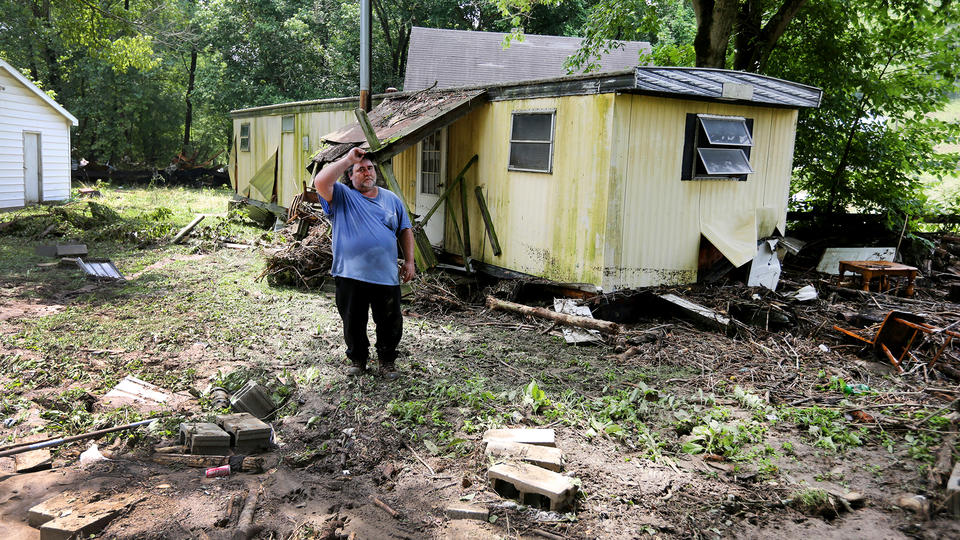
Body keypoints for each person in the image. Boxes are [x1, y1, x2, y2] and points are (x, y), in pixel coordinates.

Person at [313, 147, 415, 379]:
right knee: (353, 320)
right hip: (350, 274)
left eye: (370, 168)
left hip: (385, 274)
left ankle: (386, 361)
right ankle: (358, 360)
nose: (367, 172)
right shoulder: (341, 195)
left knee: (389, 320)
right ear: (350, 176)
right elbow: (320, 181)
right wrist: (349, 159)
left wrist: (410, 261)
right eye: (360, 170)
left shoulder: (392, 200)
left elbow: (405, 229)